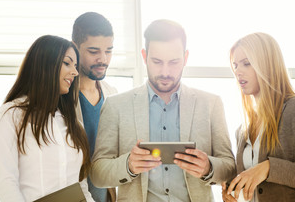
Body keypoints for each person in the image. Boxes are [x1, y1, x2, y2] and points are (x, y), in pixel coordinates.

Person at [90, 19, 236, 201]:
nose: (165, 72)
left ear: (186, 57)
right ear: (144, 57)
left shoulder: (211, 104)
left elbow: (230, 167)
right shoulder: (115, 105)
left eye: (174, 62)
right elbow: (97, 173)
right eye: (157, 62)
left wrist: (208, 168)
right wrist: (128, 165)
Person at [222, 32, 295, 202]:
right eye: (235, 65)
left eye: (246, 63)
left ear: (267, 65)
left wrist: (269, 167)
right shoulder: (243, 129)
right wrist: (232, 191)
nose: (238, 71)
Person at [0, 35, 94, 201]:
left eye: (75, 66)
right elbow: (7, 184)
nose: (75, 72)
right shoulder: (10, 115)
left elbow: (81, 186)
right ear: (45, 64)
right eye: (67, 63)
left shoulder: (74, 125)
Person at [72, 12, 117, 202]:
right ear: (74, 48)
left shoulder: (113, 94)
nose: (103, 59)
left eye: (108, 51)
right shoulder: (61, 96)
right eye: (93, 51)